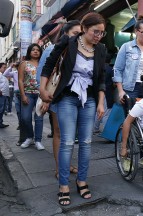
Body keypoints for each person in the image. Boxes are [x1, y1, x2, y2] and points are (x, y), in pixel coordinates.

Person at [40, 12, 106, 206]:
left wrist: (101, 102)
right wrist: (42, 89)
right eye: (96, 32)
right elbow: (49, 64)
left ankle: (82, 180)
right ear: (85, 28)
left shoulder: (101, 49)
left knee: (86, 142)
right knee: (67, 141)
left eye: (102, 33)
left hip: (89, 98)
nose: (99, 36)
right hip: (67, 97)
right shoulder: (68, 42)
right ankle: (63, 185)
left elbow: (101, 78)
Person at [37, 20, 81, 180]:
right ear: (65, 33)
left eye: (80, 34)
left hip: (75, 98)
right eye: (75, 33)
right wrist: (44, 97)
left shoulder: (81, 50)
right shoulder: (51, 49)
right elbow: (43, 72)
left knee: (70, 135)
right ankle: (59, 167)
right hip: (56, 96)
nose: (78, 37)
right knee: (59, 133)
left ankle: (67, 164)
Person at [113, 16, 143, 103]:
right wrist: (121, 91)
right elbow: (118, 69)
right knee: (132, 114)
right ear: (136, 31)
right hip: (132, 88)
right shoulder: (126, 47)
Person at [18, 44, 44, 150]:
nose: (36, 51)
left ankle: (38, 140)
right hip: (27, 94)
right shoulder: (24, 63)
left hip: (40, 95)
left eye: (38, 50)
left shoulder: (43, 63)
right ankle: (29, 137)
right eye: (33, 50)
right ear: (29, 51)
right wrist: (23, 95)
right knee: (25, 118)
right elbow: (20, 80)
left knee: (39, 118)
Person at [3, 62, 20, 129]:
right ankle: (20, 124)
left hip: (25, 93)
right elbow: (5, 74)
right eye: (17, 66)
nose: (18, 67)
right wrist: (11, 66)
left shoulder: (26, 72)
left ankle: (25, 124)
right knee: (18, 110)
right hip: (16, 93)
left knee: (24, 111)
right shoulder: (14, 73)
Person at [0, 62, 9, 128]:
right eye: (4, 67)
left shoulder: (3, 75)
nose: (5, 69)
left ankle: (1, 122)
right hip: (1, 94)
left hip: (5, 94)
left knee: (2, 109)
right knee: (0, 109)